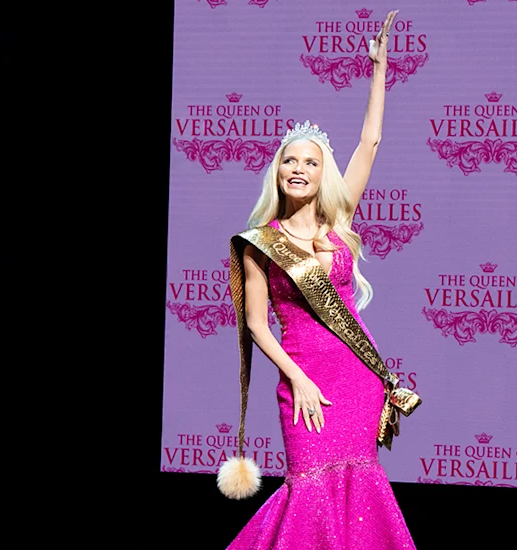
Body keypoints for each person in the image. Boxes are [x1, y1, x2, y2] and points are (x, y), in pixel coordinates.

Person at [219, 10, 418, 549]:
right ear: (278, 172)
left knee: (359, 483)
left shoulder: (340, 222)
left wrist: (379, 69)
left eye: (310, 161)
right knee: (308, 484)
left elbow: (369, 143)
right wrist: (298, 378)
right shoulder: (261, 240)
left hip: (358, 375)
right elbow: (258, 326)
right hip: (305, 376)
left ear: (321, 171)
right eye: (290, 162)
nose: (299, 169)